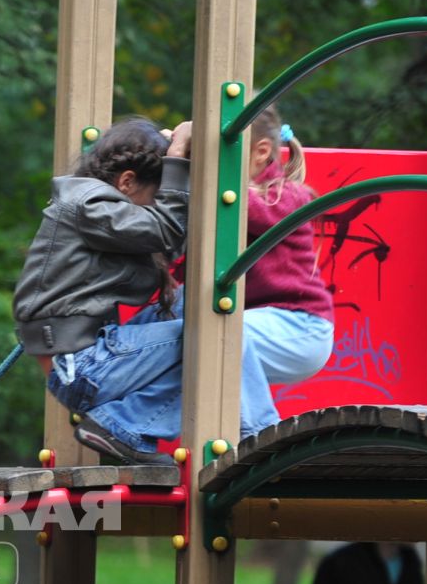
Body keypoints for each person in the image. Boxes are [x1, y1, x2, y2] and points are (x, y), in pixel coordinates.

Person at [16, 116, 283, 466]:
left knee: (206, 309)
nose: (155, 207)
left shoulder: (101, 212)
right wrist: (175, 155)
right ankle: (260, 438)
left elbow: (169, 242)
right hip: (81, 369)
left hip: (91, 360)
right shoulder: (89, 205)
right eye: (153, 198)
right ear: (127, 181)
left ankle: (124, 424)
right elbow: (165, 230)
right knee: (217, 336)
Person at [235, 102, 337, 390]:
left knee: (218, 336)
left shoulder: (286, 195)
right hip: (262, 322)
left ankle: (258, 428)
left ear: (262, 152)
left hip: (300, 325)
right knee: (184, 338)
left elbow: (246, 207)